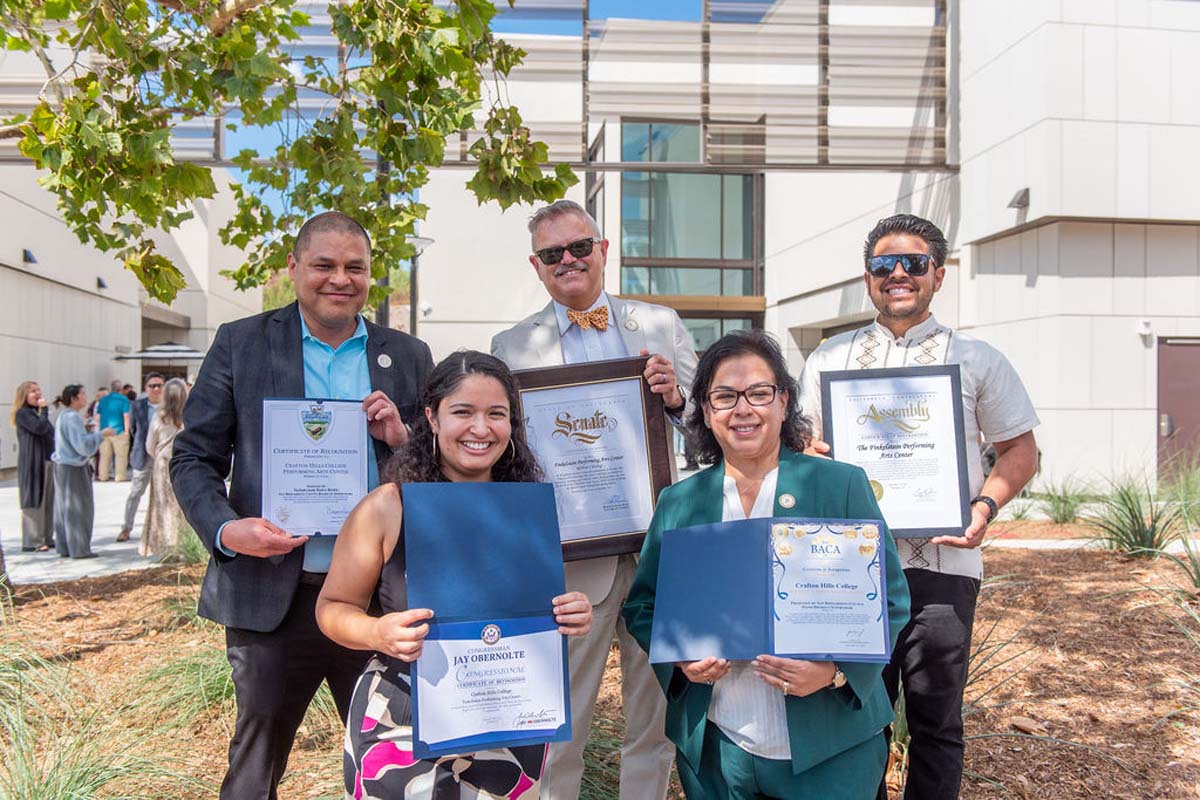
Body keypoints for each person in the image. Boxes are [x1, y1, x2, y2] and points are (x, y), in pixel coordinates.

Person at [171, 211, 435, 800]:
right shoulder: (240, 344)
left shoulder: (409, 354)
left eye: (354, 267)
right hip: (272, 594)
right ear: (293, 268)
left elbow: (441, 468)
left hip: (375, 598)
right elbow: (192, 457)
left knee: (392, 760)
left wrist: (403, 439)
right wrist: (227, 530)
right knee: (255, 763)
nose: (339, 278)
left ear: (371, 275)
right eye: (323, 265)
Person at [797, 214, 1040, 800]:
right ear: (868, 278)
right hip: (849, 570)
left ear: (939, 274)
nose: (898, 274)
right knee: (855, 716)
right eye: (884, 265)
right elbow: (800, 446)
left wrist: (984, 506)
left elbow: (1021, 452)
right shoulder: (829, 358)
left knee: (936, 721)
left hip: (943, 566)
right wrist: (807, 451)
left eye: (913, 263)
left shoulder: (979, 359)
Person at [623, 330, 910, 798]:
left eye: (759, 393)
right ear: (706, 410)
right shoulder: (680, 502)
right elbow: (643, 605)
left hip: (830, 747)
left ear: (784, 402)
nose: (743, 409)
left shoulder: (840, 485)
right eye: (724, 396)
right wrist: (681, 661)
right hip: (718, 749)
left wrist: (835, 670)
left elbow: (892, 603)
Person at [317, 350, 595, 798]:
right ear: (431, 417)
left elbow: (535, 613)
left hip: (511, 718)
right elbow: (332, 607)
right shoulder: (389, 506)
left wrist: (572, 613)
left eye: (496, 414)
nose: (481, 429)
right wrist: (376, 632)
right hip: (402, 718)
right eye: (462, 412)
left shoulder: (529, 512)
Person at [491, 199, 698, 799]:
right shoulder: (512, 346)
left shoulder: (660, 325)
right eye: (553, 254)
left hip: (660, 548)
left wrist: (678, 399)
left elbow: (709, 429)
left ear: (603, 250)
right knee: (562, 719)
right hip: (572, 557)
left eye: (580, 246)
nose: (569, 260)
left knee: (655, 718)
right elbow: (504, 451)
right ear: (537, 266)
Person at [51, 384, 115, 558]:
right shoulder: (72, 417)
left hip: (63, 467)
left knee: (63, 508)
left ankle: (65, 547)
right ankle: (79, 548)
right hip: (74, 468)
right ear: (74, 398)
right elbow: (82, 446)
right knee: (78, 509)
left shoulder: (64, 416)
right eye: (83, 394)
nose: (86, 398)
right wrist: (102, 434)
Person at [140, 378, 188, 559]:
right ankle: (182, 545)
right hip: (183, 463)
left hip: (162, 464)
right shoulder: (190, 416)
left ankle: (164, 546)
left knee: (162, 505)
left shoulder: (159, 416)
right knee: (181, 507)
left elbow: (149, 445)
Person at [118, 373, 165, 543]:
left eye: (159, 385)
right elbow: (133, 429)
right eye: (152, 386)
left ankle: (161, 532)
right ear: (146, 388)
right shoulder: (137, 406)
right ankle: (126, 527)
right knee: (135, 493)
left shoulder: (169, 406)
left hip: (163, 459)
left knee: (163, 496)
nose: (156, 389)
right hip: (143, 456)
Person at [13, 380, 55, 552]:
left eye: (38, 390)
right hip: (32, 463)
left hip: (46, 460)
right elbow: (38, 428)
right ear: (24, 395)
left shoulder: (36, 413)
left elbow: (48, 430)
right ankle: (33, 540)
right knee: (34, 500)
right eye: (33, 391)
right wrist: (44, 410)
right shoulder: (23, 414)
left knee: (47, 500)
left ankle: (46, 536)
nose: (37, 394)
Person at [95, 378, 131, 481]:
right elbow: (126, 416)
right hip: (119, 430)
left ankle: (103, 476)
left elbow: (98, 416)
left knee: (104, 456)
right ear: (120, 389)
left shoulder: (103, 400)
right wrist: (127, 431)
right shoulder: (123, 400)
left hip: (104, 431)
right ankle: (120, 476)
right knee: (121, 456)